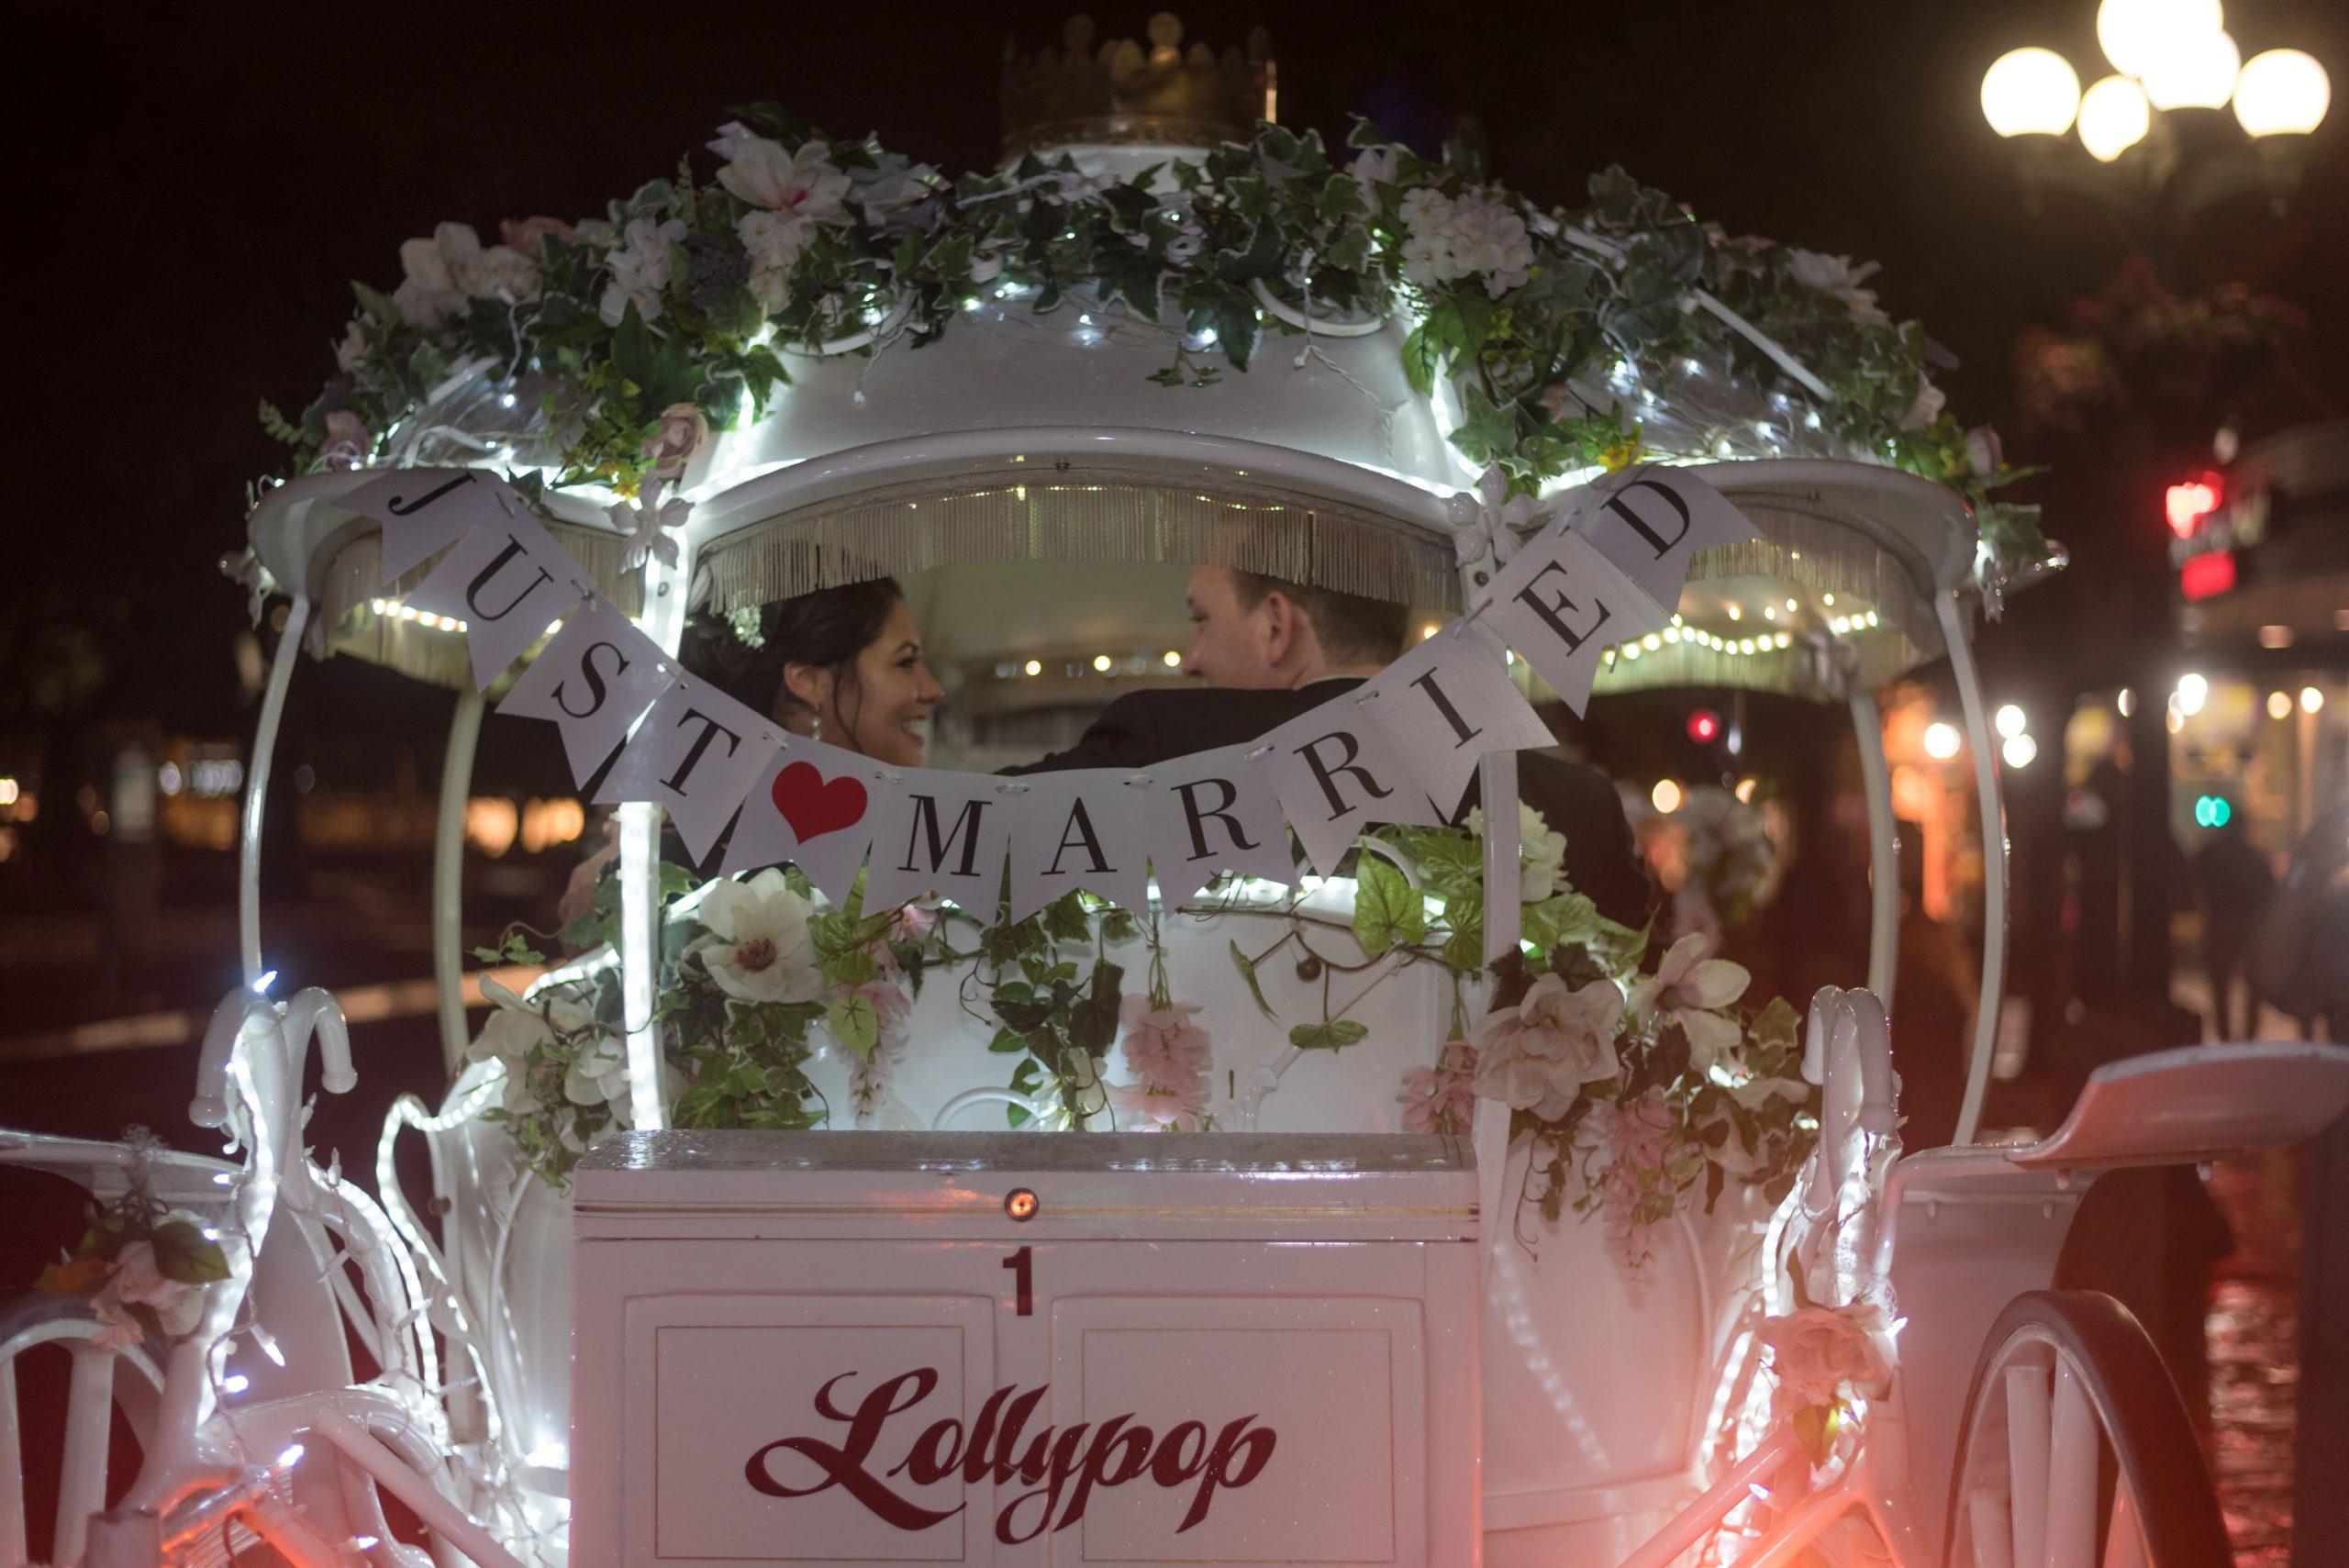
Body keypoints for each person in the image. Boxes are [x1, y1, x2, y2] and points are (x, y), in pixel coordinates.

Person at [1004, 564, 1653, 928]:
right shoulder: (1578, 802)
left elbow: (984, 835)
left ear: (1276, 624)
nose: (1192, 657)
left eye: (1201, 619)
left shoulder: (1163, 740)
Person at [558, 578, 943, 918]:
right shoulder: (655, 870)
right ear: (809, 680)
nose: (933, 689)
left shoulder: (921, 843)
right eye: (906, 662)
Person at [2192, 813, 2273, 1040]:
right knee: (2252, 985)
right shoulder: (2255, 856)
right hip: (2247, 926)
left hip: (2218, 923)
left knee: (2220, 985)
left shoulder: (2210, 852)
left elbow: (2192, 882)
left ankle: (2225, 1035)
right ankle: (2249, 1036)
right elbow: (2268, 893)